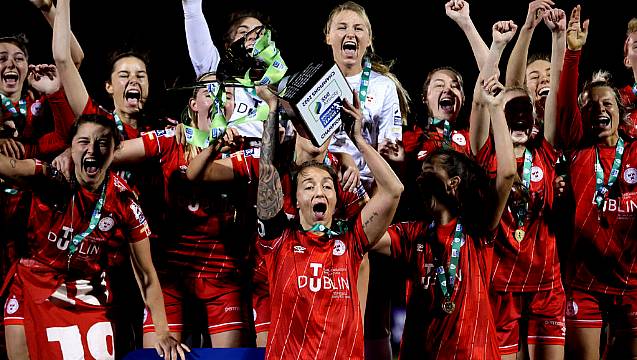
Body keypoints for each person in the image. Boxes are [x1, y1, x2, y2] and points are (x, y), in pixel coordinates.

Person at [186, 85, 366, 347]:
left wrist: (357, 315)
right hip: (268, 287)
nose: (317, 135)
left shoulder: (339, 175)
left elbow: (364, 250)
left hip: (322, 289)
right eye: (309, 125)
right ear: (295, 127)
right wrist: (214, 145)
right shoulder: (267, 159)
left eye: (324, 128)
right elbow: (196, 174)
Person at [1, 114, 188, 360]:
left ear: (115, 150)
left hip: (86, 292)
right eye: (83, 142)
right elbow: (7, 167)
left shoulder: (124, 201)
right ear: (70, 148)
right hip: (32, 283)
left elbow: (146, 272)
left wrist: (163, 332)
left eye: (102, 142)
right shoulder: (47, 178)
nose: (92, 149)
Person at [372, 72, 516, 359]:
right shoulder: (412, 234)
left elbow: (508, 173)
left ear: (454, 182)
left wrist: (496, 108)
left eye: (431, 170)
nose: (422, 175)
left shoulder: (479, 229)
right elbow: (367, 236)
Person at [253, 88, 402, 359]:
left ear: (336, 197)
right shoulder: (279, 242)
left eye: (327, 186)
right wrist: (273, 109)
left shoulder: (352, 242)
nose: (319, 192)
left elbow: (393, 190)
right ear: (295, 199)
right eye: (308, 186)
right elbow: (267, 173)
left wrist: (357, 138)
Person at [107, 72, 250, 348]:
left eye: (229, 95)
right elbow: (111, 153)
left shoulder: (242, 147)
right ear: (193, 104)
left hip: (221, 274)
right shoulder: (169, 139)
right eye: (210, 93)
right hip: (169, 276)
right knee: (157, 355)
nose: (221, 99)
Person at [474, 12, 566, 360]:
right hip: (501, 286)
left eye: (525, 108)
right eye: (511, 107)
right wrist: (496, 45)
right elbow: (482, 99)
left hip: (546, 285)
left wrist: (559, 41)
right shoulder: (486, 152)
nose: (520, 115)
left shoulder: (545, 148)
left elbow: (555, 91)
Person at [556, 5, 637, 359]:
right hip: (585, 283)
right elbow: (564, 105)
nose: (600, 109)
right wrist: (573, 52)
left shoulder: (634, 149)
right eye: (593, 105)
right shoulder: (578, 147)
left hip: (632, 281)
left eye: (609, 104)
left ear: (622, 114)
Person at [182, 0, 269, 140]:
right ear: (228, 45)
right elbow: (192, 11)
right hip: (223, 157)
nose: (253, 37)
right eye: (244, 32)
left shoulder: (280, 91)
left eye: (260, 34)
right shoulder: (215, 71)